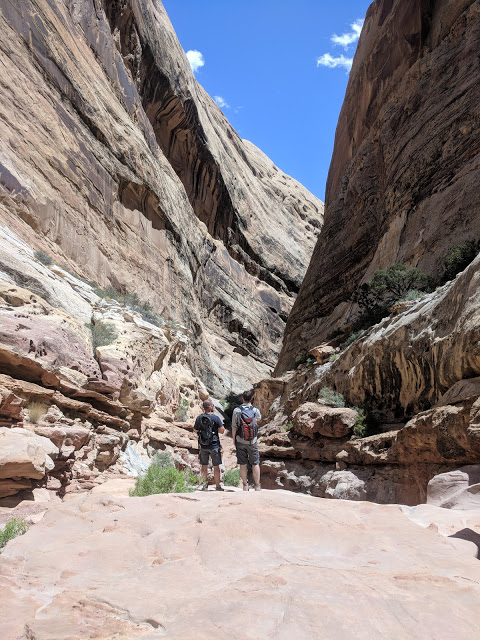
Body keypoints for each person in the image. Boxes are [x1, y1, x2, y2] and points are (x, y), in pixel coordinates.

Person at [232, 390, 261, 491]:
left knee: (242, 463)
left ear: (242, 398)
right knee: (255, 463)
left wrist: (234, 439)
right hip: (253, 441)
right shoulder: (255, 410)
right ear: (252, 399)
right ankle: (257, 486)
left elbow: (234, 427)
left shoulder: (237, 410)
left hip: (240, 440)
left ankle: (245, 485)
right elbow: (259, 419)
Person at [194, 398, 225, 491]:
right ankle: (218, 486)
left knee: (204, 466)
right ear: (210, 407)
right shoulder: (215, 418)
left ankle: (204, 485)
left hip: (203, 445)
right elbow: (222, 431)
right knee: (216, 466)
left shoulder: (199, 418)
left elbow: (195, 430)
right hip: (214, 445)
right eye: (213, 405)